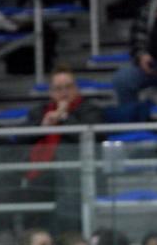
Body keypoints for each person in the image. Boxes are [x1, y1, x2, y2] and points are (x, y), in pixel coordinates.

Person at [26, 65, 103, 234]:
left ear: (76, 89)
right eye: (58, 89)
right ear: (51, 92)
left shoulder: (90, 110)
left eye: (68, 87)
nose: (64, 93)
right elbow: (21, 138)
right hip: (42, 176)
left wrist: (64, 117)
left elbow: (89, 137)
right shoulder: (39, 112)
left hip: (77, 176)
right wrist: (42, 126)